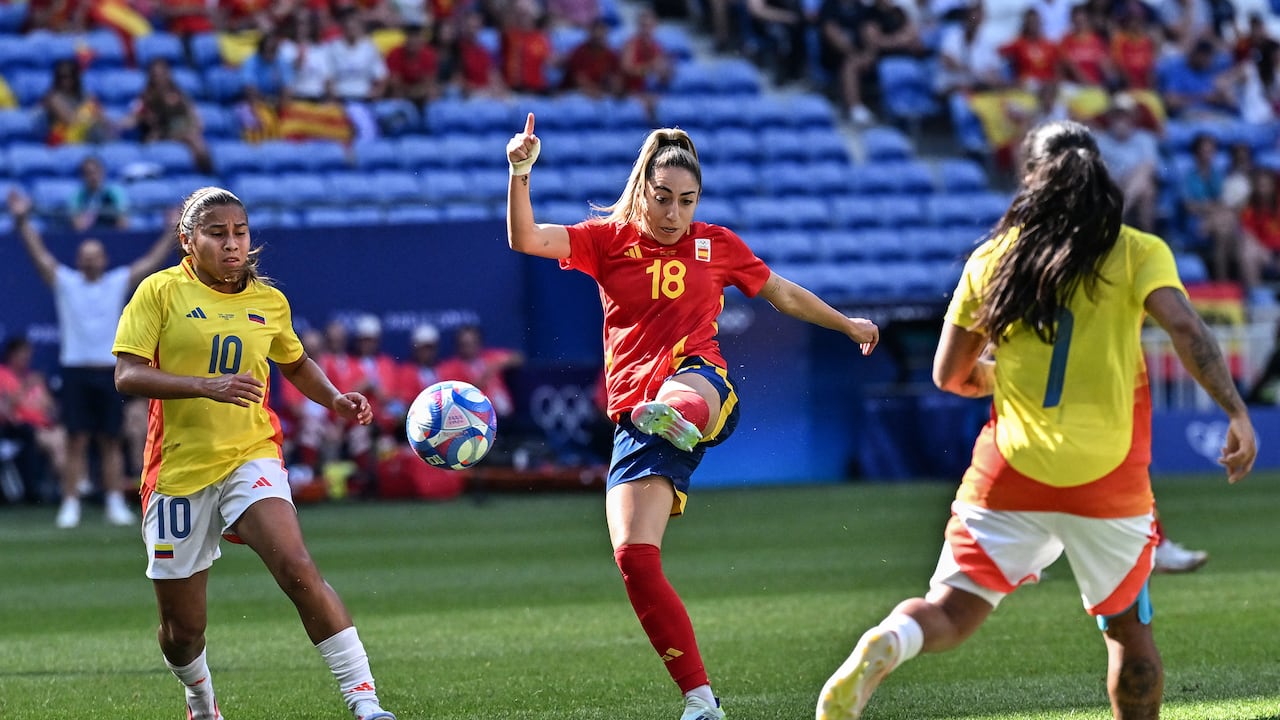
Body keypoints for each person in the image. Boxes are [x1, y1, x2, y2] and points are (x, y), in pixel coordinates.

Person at [814, 120, 1256, 720]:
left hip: (1012, 472)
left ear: (1031, 180)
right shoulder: (1135, 250)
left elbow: (950, 376)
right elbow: (1185, 327)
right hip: (1107, 479)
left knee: (948, 609)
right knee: (1128, 634)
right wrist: (1235, 411)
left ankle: (890, 641)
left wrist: (1006, 375)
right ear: (1098, 175)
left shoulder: (994, 257)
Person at [505, 113, 880, 720]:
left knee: (687, 389)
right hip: (635, 417)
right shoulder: (607, 240)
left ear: (698, 200)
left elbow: (782, 292)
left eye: (687, 200)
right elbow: (526, 238)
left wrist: (847, 323)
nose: (674, 213)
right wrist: (520, 173)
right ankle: (701, 702)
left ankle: (680, 416)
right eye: (662, 199)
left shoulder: (718, 244)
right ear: (642, 191)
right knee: (633, 558)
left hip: (700, 384)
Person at [111, 186, 396, 720]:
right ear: (188, 241)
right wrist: (205, 385)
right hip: (177, 470)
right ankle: (201, 703)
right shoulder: (160, 292)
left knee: (297, 567)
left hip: (251, 453)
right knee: (182, 630)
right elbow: (127, 374)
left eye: (239, 232)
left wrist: (334, 397)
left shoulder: (269, 300)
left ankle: (368, 705)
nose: (231, 243)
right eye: (216, 233)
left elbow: (295, 362)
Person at [7, 190, 175, 528]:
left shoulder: (116, 283)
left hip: (108, 372)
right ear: (79, 259)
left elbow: (150, 263)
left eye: (95, 255)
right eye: (84, 255)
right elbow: (39, 256)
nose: (89, 260)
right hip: (75, 372)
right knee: (75, 440)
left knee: (111, 439)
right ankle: (71, 503)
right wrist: (23, 220)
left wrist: (172, 232)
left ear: (104, 259)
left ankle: (114, 500)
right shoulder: (67, 283)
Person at [435, 324, 523, 421]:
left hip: (506, 414)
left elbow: (518, 357)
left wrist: (498, 365)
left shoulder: (489, 357)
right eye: (465, 344)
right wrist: (483, 378)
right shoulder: (450, 367)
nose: (470, 348)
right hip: (476, 417)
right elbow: (457, 395)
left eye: (474, 343)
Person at [69, 156, 130, 233]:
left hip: (112, 235)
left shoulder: (115, 192)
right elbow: (77, 225)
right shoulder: (77, 196)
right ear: (82, 176)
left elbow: (123, 222)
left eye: (95, 172)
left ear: (103, 172)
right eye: (88, 173)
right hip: (87, 237)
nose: (93, 177)